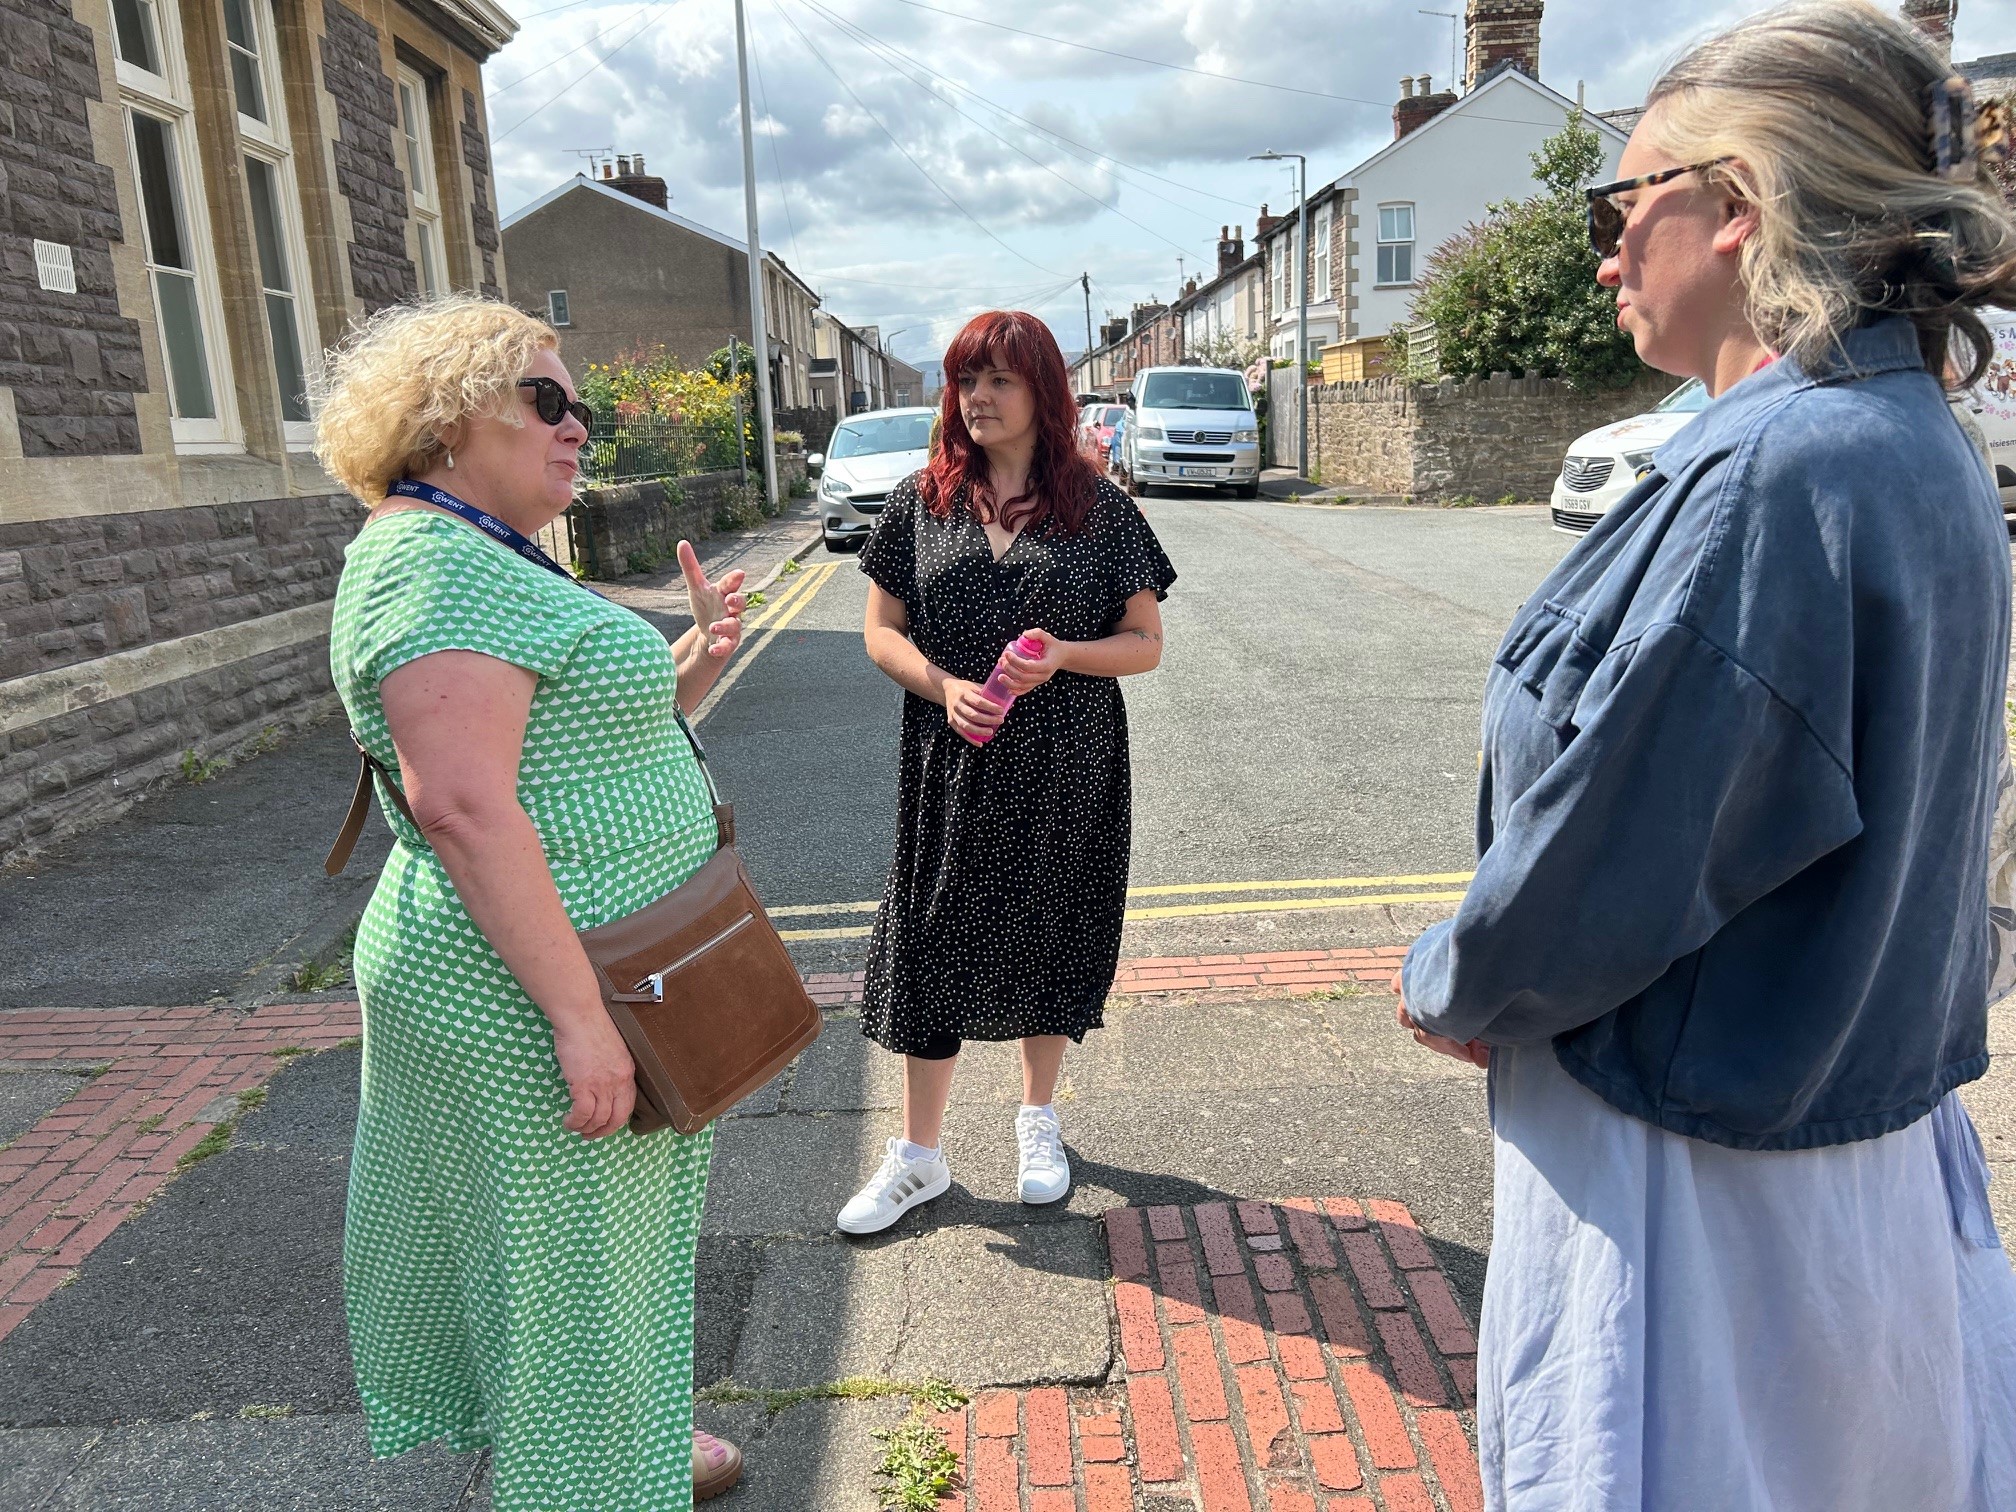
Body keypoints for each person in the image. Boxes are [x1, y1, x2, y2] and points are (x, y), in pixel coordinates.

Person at [1392, 4, 2016, 1507]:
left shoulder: (1777, 473)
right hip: (1853, 1161)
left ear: (1740, 209)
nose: (1604, 251)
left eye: (1624, 204)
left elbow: (1620, 846)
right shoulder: (1911, 436)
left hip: (1695, 1190)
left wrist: (1456, 980)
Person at [316, 295, 749, 1508]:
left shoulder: (484, 551)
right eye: (546, 402)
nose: (578, 430)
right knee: (571, 1268)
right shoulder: (424, 558)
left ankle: (628, 1443)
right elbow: (460, 805)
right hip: (528, 992)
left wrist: (691, 665)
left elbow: (568, 755)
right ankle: (589, 1477)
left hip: (596, 970)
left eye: (584, 408)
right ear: (445, 421)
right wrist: (578, 1018)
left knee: (597, 1256)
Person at [838, 310, 1176, 1235]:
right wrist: (945, 688)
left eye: (999, 381)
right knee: (929, 928)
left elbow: (1145, 645)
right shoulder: (921, 500)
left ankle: (1037, 1119)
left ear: (1043, 393)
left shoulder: (1100, 509)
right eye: (965, 380)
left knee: (1050, 922)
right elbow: (879, 631)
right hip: (949, 755)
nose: (977, 398)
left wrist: (1063, 653)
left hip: (1067, 758)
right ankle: (919, 1156)